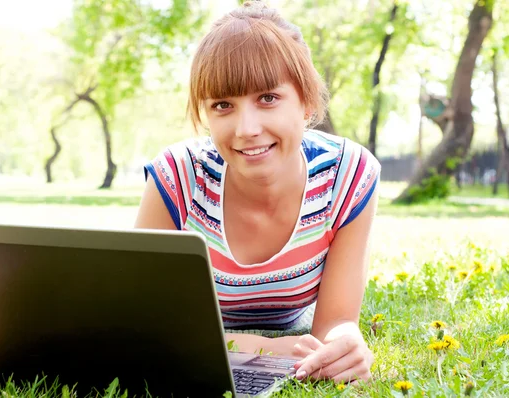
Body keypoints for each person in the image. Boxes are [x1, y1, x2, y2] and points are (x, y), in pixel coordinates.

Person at [135, 1, 380, 384]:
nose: (246, 128)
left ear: (307, 100)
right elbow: (146, 324)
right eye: (223, 105)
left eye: (267, 98)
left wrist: (345, 345)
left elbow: (335, 323)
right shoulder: (177, 177)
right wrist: (262, 347)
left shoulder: (348, 175)